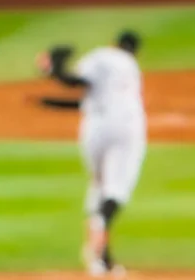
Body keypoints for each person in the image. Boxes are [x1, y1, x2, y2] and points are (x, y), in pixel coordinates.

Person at [35, 30, 146, 277]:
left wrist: (53, 68)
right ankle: (99, 230)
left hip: (93, 129)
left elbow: (74, 82)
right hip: (127, 128)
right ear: (135, 50)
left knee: (98, 187)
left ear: (114, 43)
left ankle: (102, 259)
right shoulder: (131, 66)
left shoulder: (98, 55)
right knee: (116, 191)